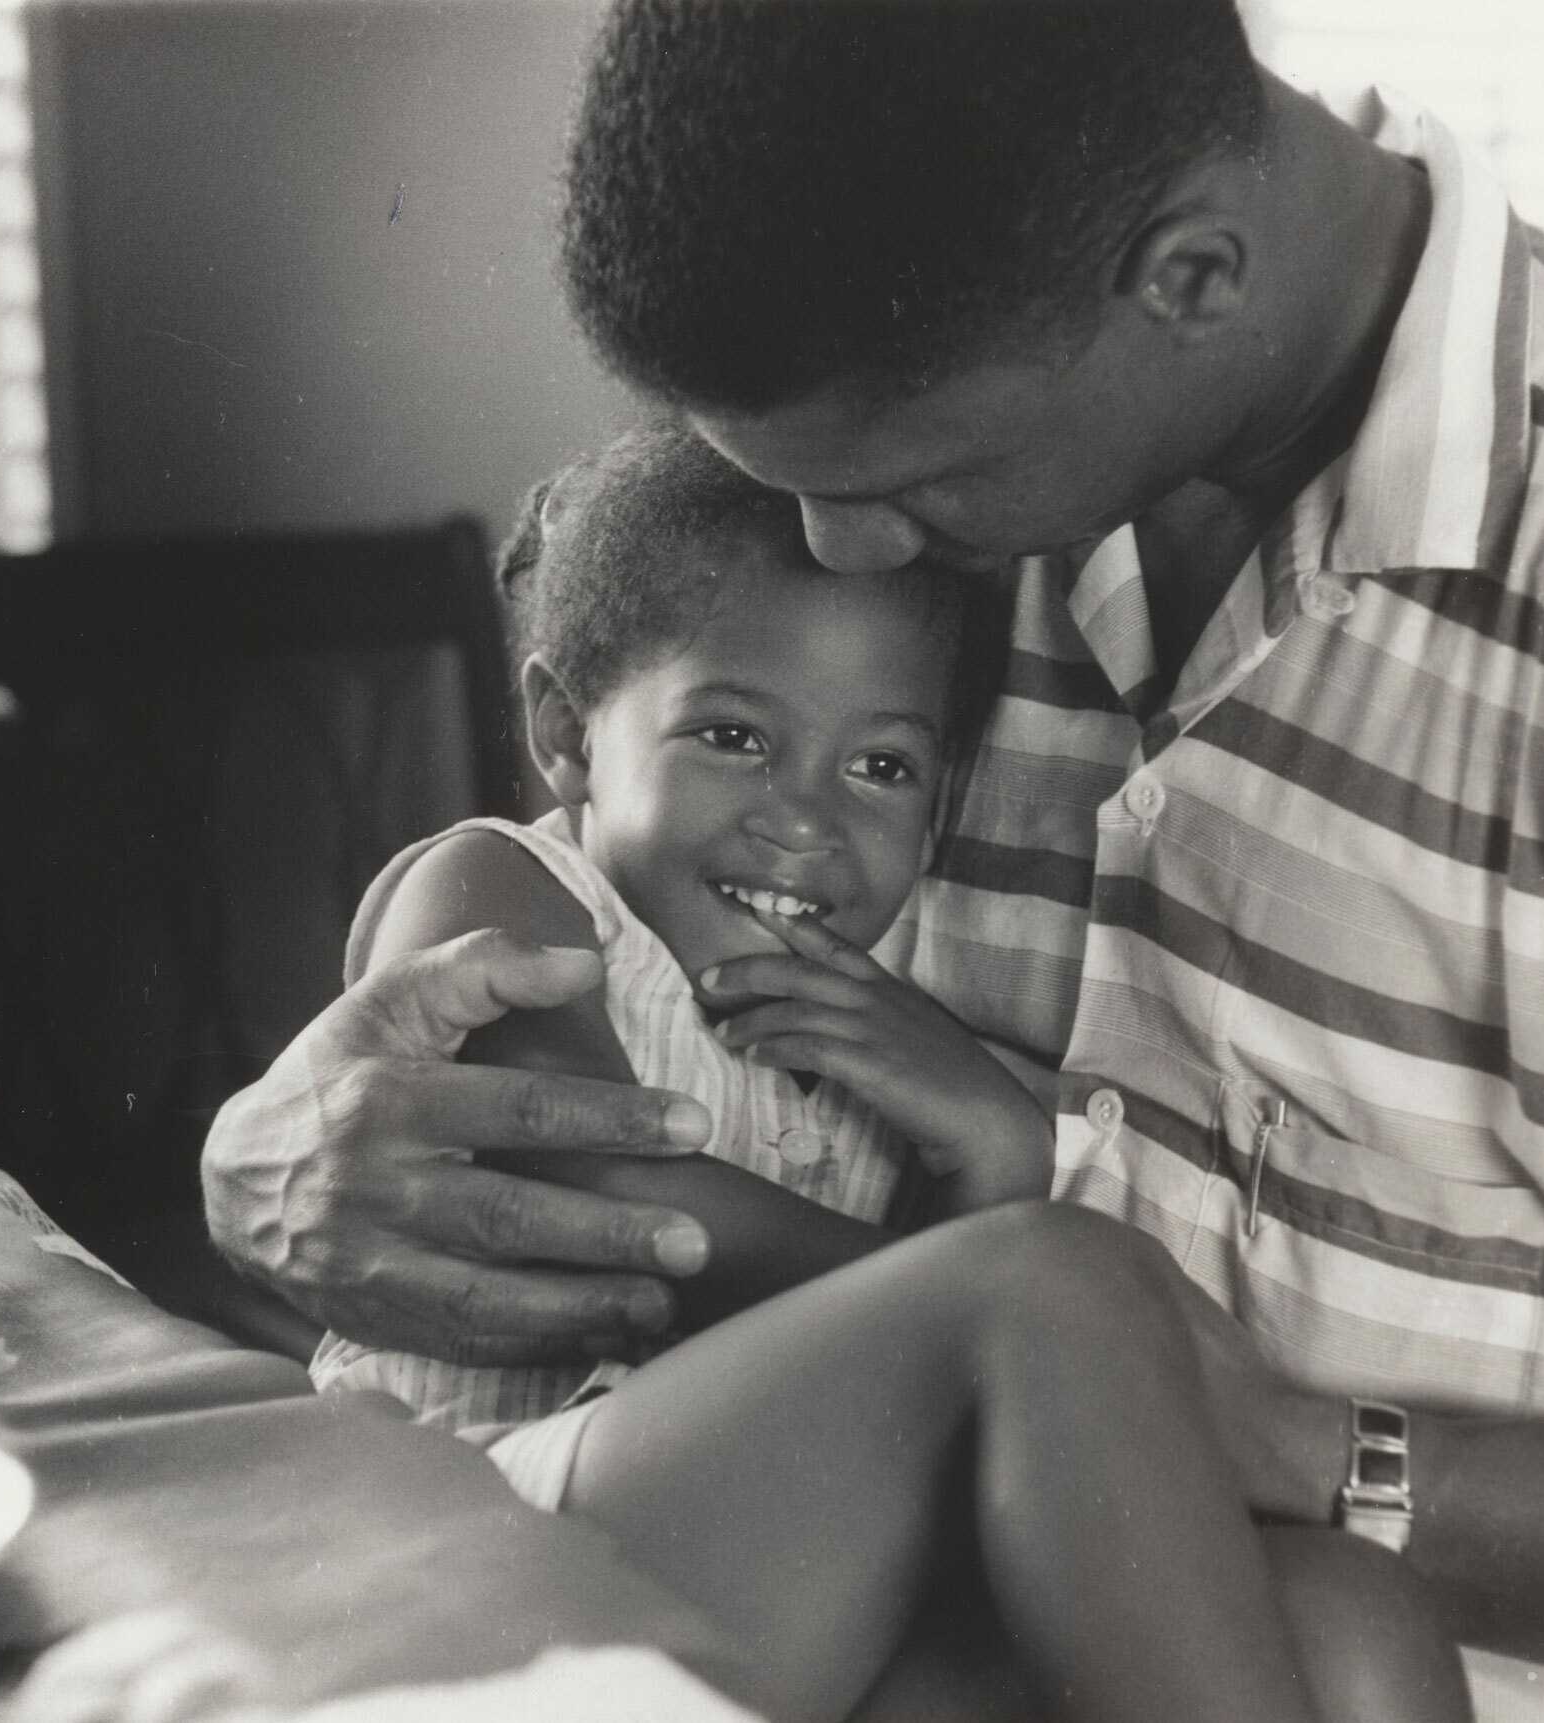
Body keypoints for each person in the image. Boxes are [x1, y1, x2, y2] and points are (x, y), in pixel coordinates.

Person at [204, 3, 1544, 1718]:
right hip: (846, 1606)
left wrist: (1321, 1455)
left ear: (1193, 280)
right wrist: (281, 1151)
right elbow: (558, 931)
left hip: (1368, 1663)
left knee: (1352, 1628)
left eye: (914, 483)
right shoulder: (943, 408)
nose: (841, 549)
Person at [304, 420, 1470, 1723]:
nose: (805, 818)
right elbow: (610, 1207)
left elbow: (943, 1411)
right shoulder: (508, 885)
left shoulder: (876, 1036)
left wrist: (987, 1151)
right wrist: (1011, 1260)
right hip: (484, 1545)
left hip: (778, 1586)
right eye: (734, 737)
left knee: (1351, 1620)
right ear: (569, 735)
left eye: (881, 767)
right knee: (1062, 1280)